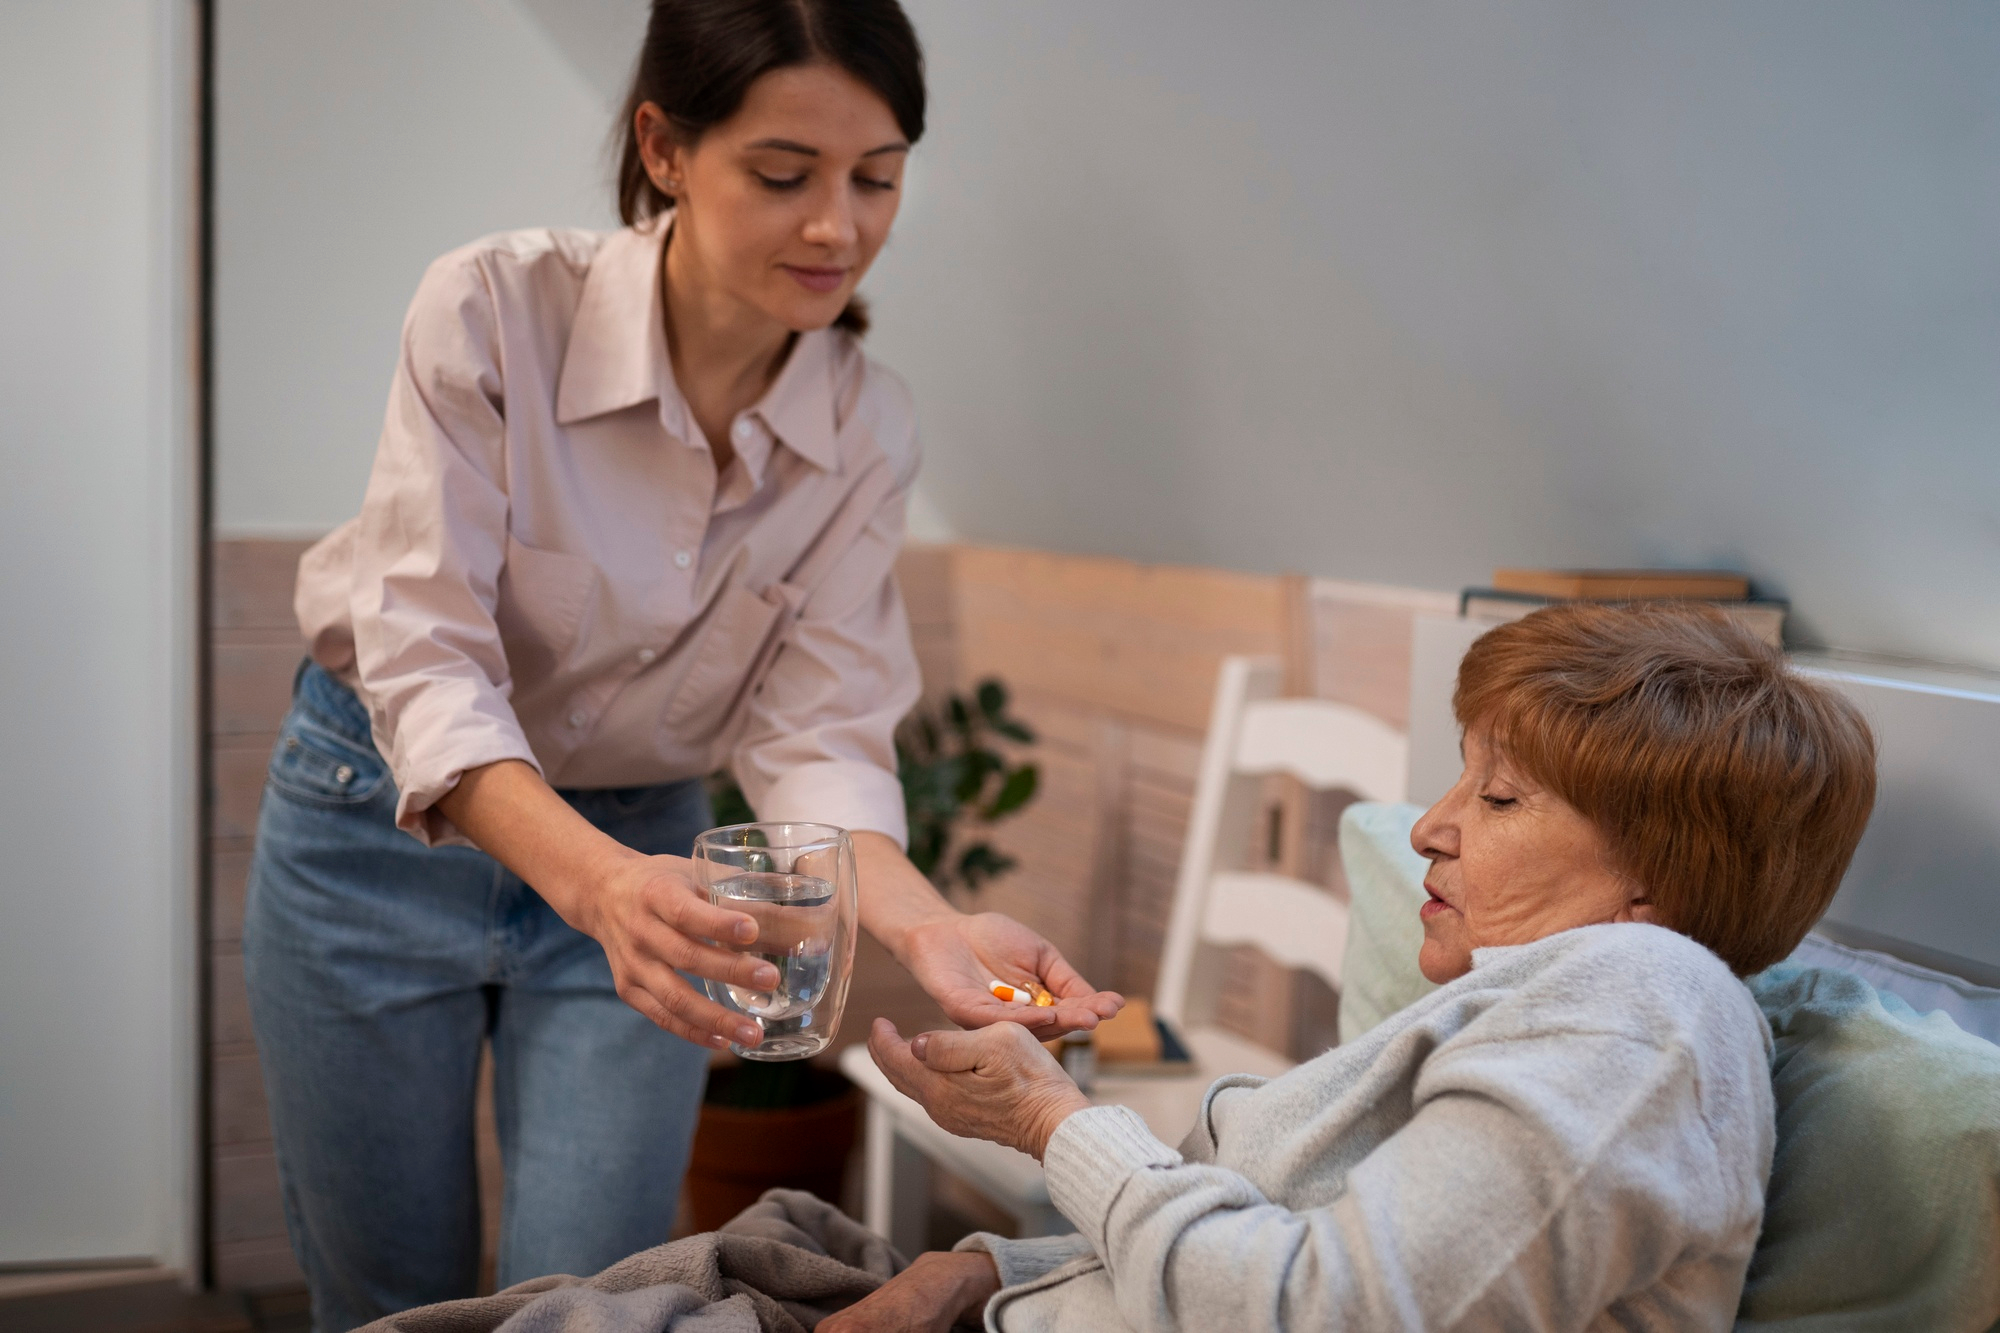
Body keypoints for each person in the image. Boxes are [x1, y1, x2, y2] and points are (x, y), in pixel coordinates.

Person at [243, 3, 1118, 1329]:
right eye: (784, 175)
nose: (838, 225)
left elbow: (817, 732)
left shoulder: (864, 425)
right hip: (376, 829)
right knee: (386, 1296)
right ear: (663, 146)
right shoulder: (491, 309)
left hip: (655, 850)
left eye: (876, 178)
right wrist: (596, 888)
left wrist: (934, 930)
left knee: (596, 1295)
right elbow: (424, 662)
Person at [842, 604, 1877, 1331]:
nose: (1428, 826)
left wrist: (1049, 1121)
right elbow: (1284, 1244)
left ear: (1654, 880)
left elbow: (1321, 1313)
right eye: (1458, 779)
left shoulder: (1643, 1010)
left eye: (1500, 798)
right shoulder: (1558, 1006)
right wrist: (984, 1271)